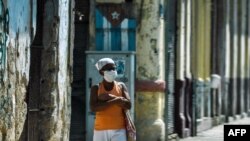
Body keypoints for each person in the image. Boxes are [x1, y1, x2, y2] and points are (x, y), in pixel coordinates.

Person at [90, 57, 131, 141]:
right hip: (100, 129)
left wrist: (110, 97)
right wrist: (117, 100)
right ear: (101, 72)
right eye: (109, 69)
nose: (112, 71)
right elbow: (94, 107)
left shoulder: (121, 86)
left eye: (114, 68)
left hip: (119, 129)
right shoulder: (96, 88)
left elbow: (128, 105)